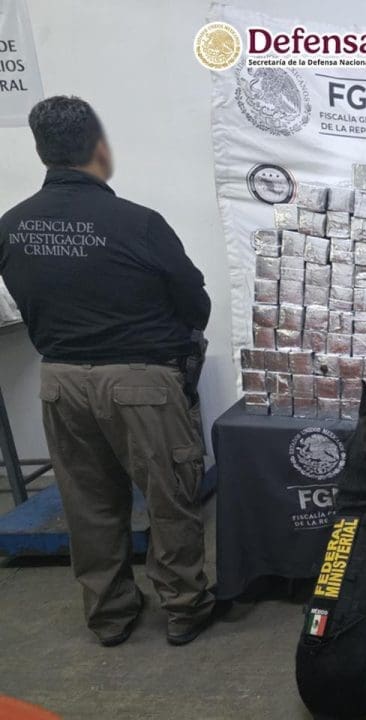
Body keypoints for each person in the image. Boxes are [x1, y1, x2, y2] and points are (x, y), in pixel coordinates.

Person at [0, 96, 218, 646]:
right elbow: (195, 303)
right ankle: (184, 607)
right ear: (98, 148)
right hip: (142, 382)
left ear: (40, 151)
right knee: (169, 497)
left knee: (88, 503)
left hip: (61, 382)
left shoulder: (12, 226)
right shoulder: (138, 223)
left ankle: (110, 614)